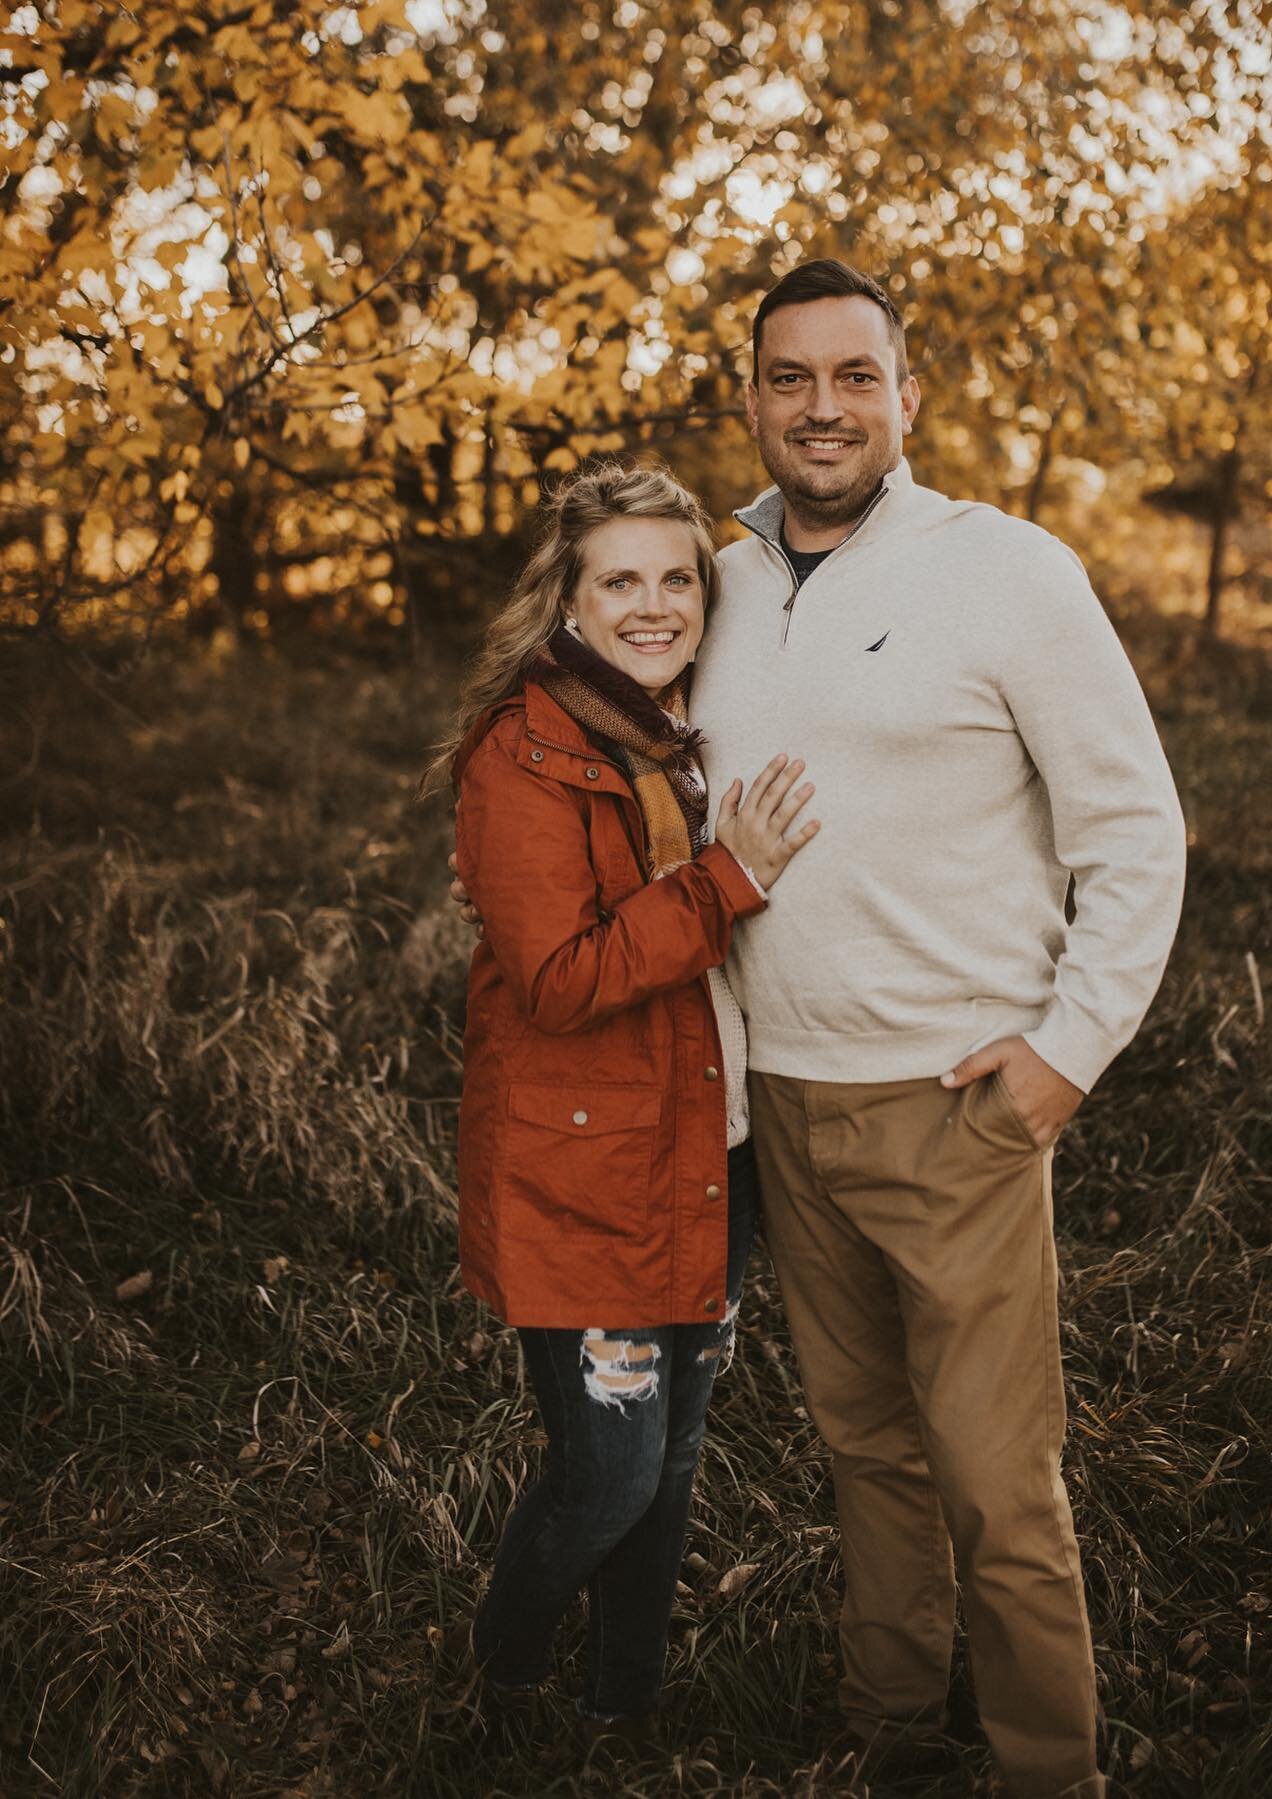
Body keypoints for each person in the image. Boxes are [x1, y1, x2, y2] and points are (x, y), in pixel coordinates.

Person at [449, 262, 1186, 1798]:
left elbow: (1136, 831)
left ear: (908, 398)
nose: (823, 408)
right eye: (791, 379)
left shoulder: (1009, 571)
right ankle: (892, 1728)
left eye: (856, 377)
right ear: (754, 398)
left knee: (999, 1484)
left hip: (958, 1102)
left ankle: (1053, 1769)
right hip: (767, 1111)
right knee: (866, 1456)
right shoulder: (710, 584)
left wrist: (1066, 1055)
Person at [427, 463, 819, 1754]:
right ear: (570, 599)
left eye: (675, 577)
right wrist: (728, 879)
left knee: (677, 1455)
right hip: (584, 1173)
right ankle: (502, 1677)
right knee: (607, 1475)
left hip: (714, 1150)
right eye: (620, 580)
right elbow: (557, 977)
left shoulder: (680, 732)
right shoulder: (526, 754)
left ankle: (624, 1705)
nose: (652, 605)